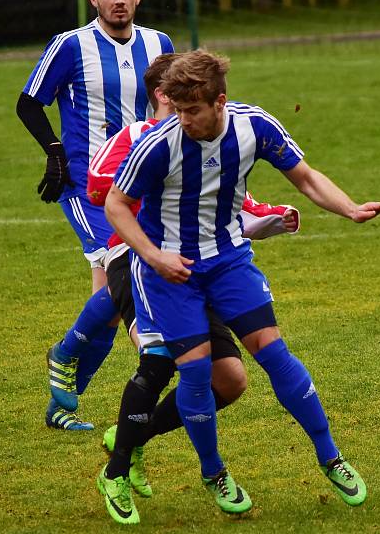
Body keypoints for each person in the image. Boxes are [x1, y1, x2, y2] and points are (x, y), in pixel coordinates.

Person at [101, 49, 380, 523]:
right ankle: (213, 471)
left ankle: (332, 458)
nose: (184, 120)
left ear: (220, 102)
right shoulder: (160, 144)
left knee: (274, 353)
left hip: (227, 259)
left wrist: (349, 208)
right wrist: (155, 256)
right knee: (197, 374)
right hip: (169, 269)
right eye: (177, 110)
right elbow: (116, 205)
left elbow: (303, 177)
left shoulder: (253, 126)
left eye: (192, 110)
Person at [84, 54, 299, 507]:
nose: (184, 106)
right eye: (175, 97)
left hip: (197, 266)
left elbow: (233, 206)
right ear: (162, 95)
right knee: (161, 360)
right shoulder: (139, 139)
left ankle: (133, 435)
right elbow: (101, 192)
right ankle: (117, 470)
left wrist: (270, 219)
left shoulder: (215, 138)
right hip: (137, 261)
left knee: (231, 380)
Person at [15, 0, 175, 429]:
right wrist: (56, 151)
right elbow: (28, 104)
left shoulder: (158, 43)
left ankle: (63, 403)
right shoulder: (69, 45)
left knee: (106, 305)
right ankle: (88, 357)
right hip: (91, 187)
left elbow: (171, 103)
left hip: (140, 186)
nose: (120, 0)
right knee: (127, 280)